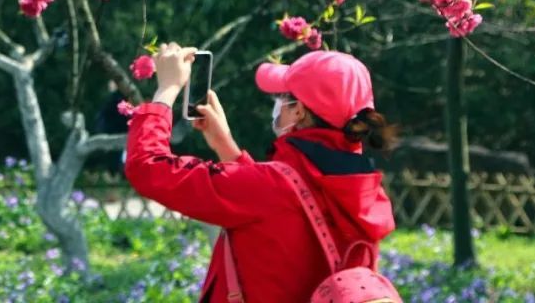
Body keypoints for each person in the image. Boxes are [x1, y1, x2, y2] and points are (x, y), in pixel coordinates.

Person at [125, 43, 398, 302]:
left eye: (282, 96)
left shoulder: (268, 187)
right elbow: (285, 213)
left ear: (299, 111)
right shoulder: (363, 190)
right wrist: (226, 147)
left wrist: (167, 90)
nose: (277, 103)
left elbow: (147, 167)